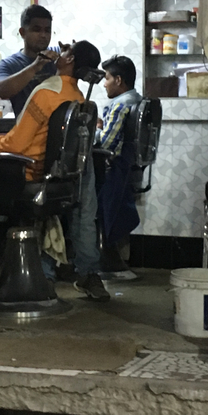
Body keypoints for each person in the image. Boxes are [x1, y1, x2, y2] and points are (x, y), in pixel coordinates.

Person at [0, 40, 110, 301]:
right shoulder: (78, 98)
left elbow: (16, 144)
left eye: (65, 52)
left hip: (18, 170)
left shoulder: (48, 93)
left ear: (70, 60)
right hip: (50, 177)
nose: (59, 53)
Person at [95, 55, 142, 280]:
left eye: (107, 78)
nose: (104, 83)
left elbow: (106, 143)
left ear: (118, 80)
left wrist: (92, 130)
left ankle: (102, 259)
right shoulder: (138, 100)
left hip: (113, 169)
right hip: (129, 168)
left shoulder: (120, 105)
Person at [0, 5, 58, 116]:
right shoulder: (9, 64)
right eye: (36, 30)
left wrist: (74, 51)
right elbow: (2, 91)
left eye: (47, 31)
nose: (43, 35)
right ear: (23, 32)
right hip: (28, 131)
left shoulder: (57, 55)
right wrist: (35, 67)